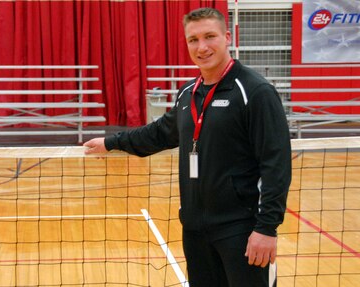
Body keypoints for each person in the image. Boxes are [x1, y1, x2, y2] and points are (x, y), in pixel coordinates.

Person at [84, 7, 291, 287]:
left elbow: (276, 164)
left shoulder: (254, 92)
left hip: (242, 232)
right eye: (193, 40)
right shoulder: (187, 93)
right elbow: (157, 134)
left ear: (227, 37)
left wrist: (266, 228)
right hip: (195, 230)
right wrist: (111, 142)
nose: (201, 47)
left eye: (209, 37)